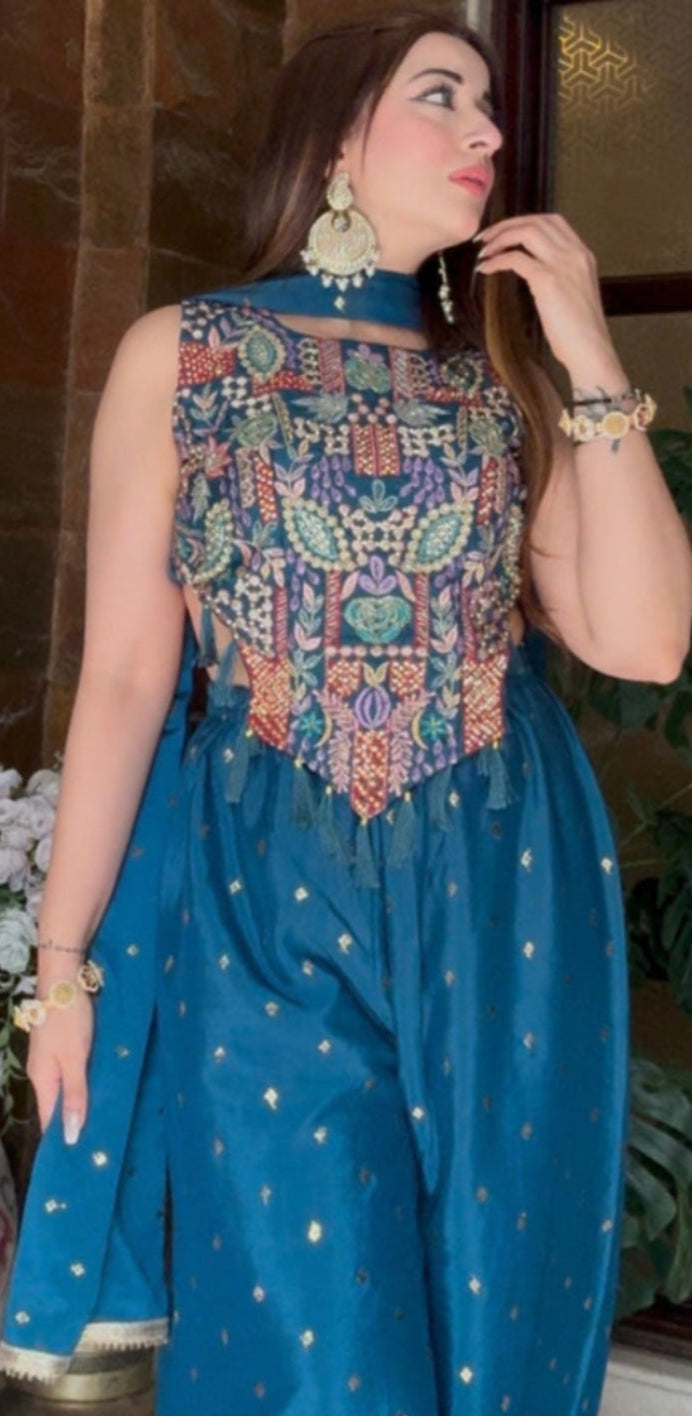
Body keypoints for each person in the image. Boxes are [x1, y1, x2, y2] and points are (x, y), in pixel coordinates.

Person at [1, 8, 691, 1415]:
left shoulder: (500, 381)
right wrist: (61, 966)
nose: (489, 133)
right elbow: (130, 673)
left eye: (492, 106)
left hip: (505, 895)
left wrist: (591, 359)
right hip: (265, 897)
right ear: (332, 143)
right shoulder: (183, 356)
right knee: (311, 1332)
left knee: (495, 1313)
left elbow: (646, 639)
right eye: (445, 97)